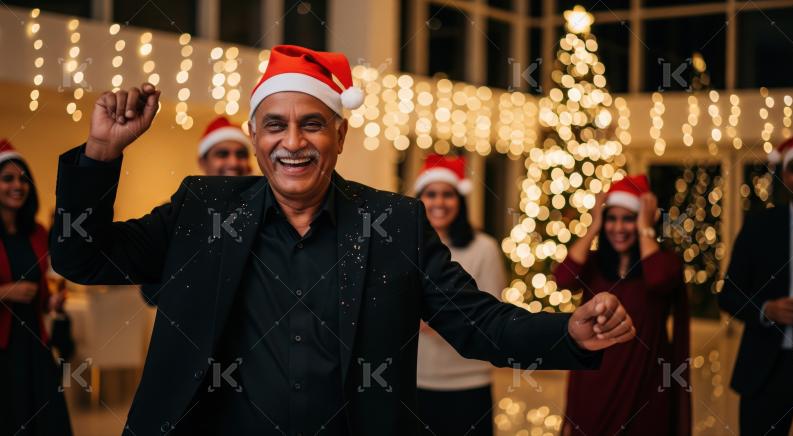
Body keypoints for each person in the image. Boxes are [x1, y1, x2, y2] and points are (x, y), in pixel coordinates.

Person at [50, 44, 636, 436]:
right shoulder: (203, 209)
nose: (292, 142)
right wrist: (101, 153)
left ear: (340, 134)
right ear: (255, 134)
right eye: (275, 124)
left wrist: (566, 333)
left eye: (312, 123)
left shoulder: (394, 222)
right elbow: (81, 255)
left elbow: (476, 321)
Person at [554, 175, 690, 436]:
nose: (619, 227)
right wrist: (594, 225)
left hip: (645, 381)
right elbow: (563, 278)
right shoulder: (593, 264)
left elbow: (659, 280)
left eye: (628, 218)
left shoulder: (665, 262)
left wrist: (645, 229)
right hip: (595, 379)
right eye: (612, 218)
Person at [414, 154, 505, 436]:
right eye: (431, 194)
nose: (439, 202)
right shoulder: (403, 245)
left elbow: (491, 313)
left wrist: (434, 323)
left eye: (447, 195)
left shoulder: (485, 248)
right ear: (418, 200)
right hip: (415, 378)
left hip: (468, 381)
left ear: (460, 200)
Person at [720, 133, 793, 435]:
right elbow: (728, 296)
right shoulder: (758, 227)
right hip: (766, 372)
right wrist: (767, 309)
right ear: (784, 175)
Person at [0, 139, 72, 436]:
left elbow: (42, 287)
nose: (18, 185)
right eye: (8, 179)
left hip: (34, 342)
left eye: (23, 179)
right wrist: (4, 292)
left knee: (47, 421)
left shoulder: (38, 232)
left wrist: (50, 302)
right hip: (3, 347)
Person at [140, 116, 252, 305]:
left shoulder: (263, 210)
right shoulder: (175, 214)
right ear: (202, 162)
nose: (233, 162)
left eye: (241, 154)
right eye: (222, 154)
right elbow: (151, 294)